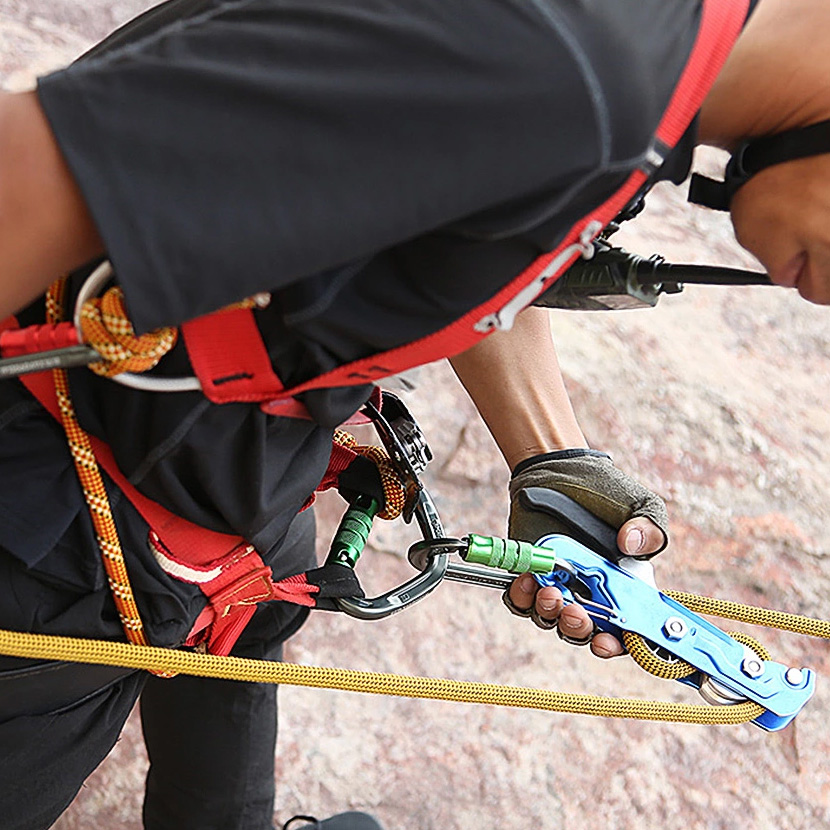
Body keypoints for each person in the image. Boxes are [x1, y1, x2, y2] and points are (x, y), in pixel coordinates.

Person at [0, 0, 827, 827]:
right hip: (60, 519)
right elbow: (22, 176)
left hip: (236, 475)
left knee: (249, 650)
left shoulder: (624, 62)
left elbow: (479, 209)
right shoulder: (558, 64)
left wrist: (550, 460)